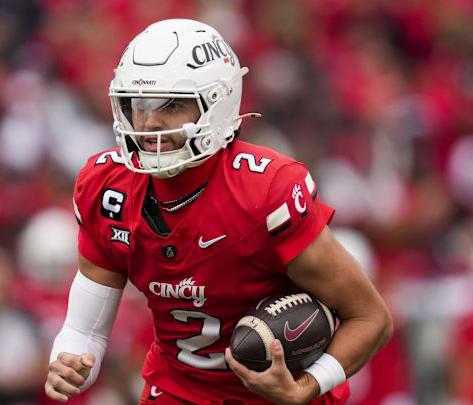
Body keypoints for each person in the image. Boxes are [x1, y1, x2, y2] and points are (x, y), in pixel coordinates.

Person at [45, 19, 393, 405]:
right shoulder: (106, 186)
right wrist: (71, 364)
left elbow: (371, 319)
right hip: (177, 390)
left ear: (218, 102)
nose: (148, 122)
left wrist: (306, 387)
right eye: (138, 104)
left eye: (171, 104)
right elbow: (85, 332)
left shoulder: (265, 192)